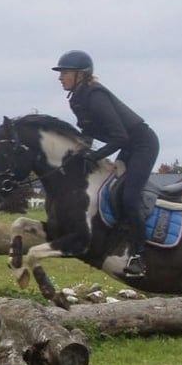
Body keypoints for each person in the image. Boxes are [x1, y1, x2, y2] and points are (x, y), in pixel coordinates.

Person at [53, 50, 160, 278]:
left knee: (129, 197)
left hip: (143, 145)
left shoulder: (95, 96)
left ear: (81, 74)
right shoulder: (77, 98)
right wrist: (77, 154)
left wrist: (94, 156)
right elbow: (88, 132)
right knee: (108, 191)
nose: (60, 77)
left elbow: (119, 136)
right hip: (129, 146)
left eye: (65, 72)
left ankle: (140, 255)